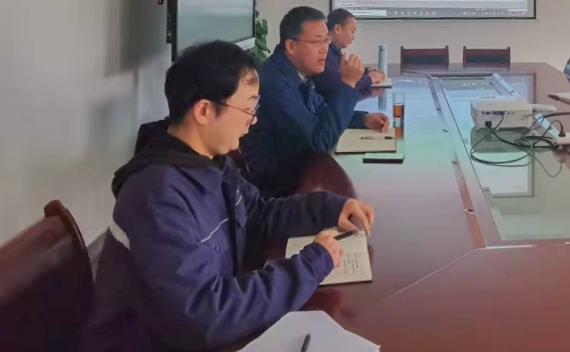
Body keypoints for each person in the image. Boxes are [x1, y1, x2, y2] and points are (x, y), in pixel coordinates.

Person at [81, 41, 376, 352]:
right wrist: (311, 265)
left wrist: (331, 207)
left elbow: (258, 213)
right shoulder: (157, 196)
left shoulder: (211, 163)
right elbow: (203, 316)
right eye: (248, 109)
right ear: (204, 111)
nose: (254, 120)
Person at [241, 7, 390, 196]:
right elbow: (319, 141)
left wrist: (362, 119)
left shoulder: (295, 71)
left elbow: (320, 110)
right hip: (274, 190)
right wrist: (348, 85)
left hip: (296, 174)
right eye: (317, 42)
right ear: (291, 46)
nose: (324, 49)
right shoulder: (275, 82)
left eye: (326, 41)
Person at [314, 8, 386, 95]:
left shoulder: (335, 51)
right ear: (337, 29)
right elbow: (340, 85)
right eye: (352, 31)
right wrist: (370, 79)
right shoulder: (325, 53)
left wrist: (367, 71)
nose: (353, 38)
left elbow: (346, 72)